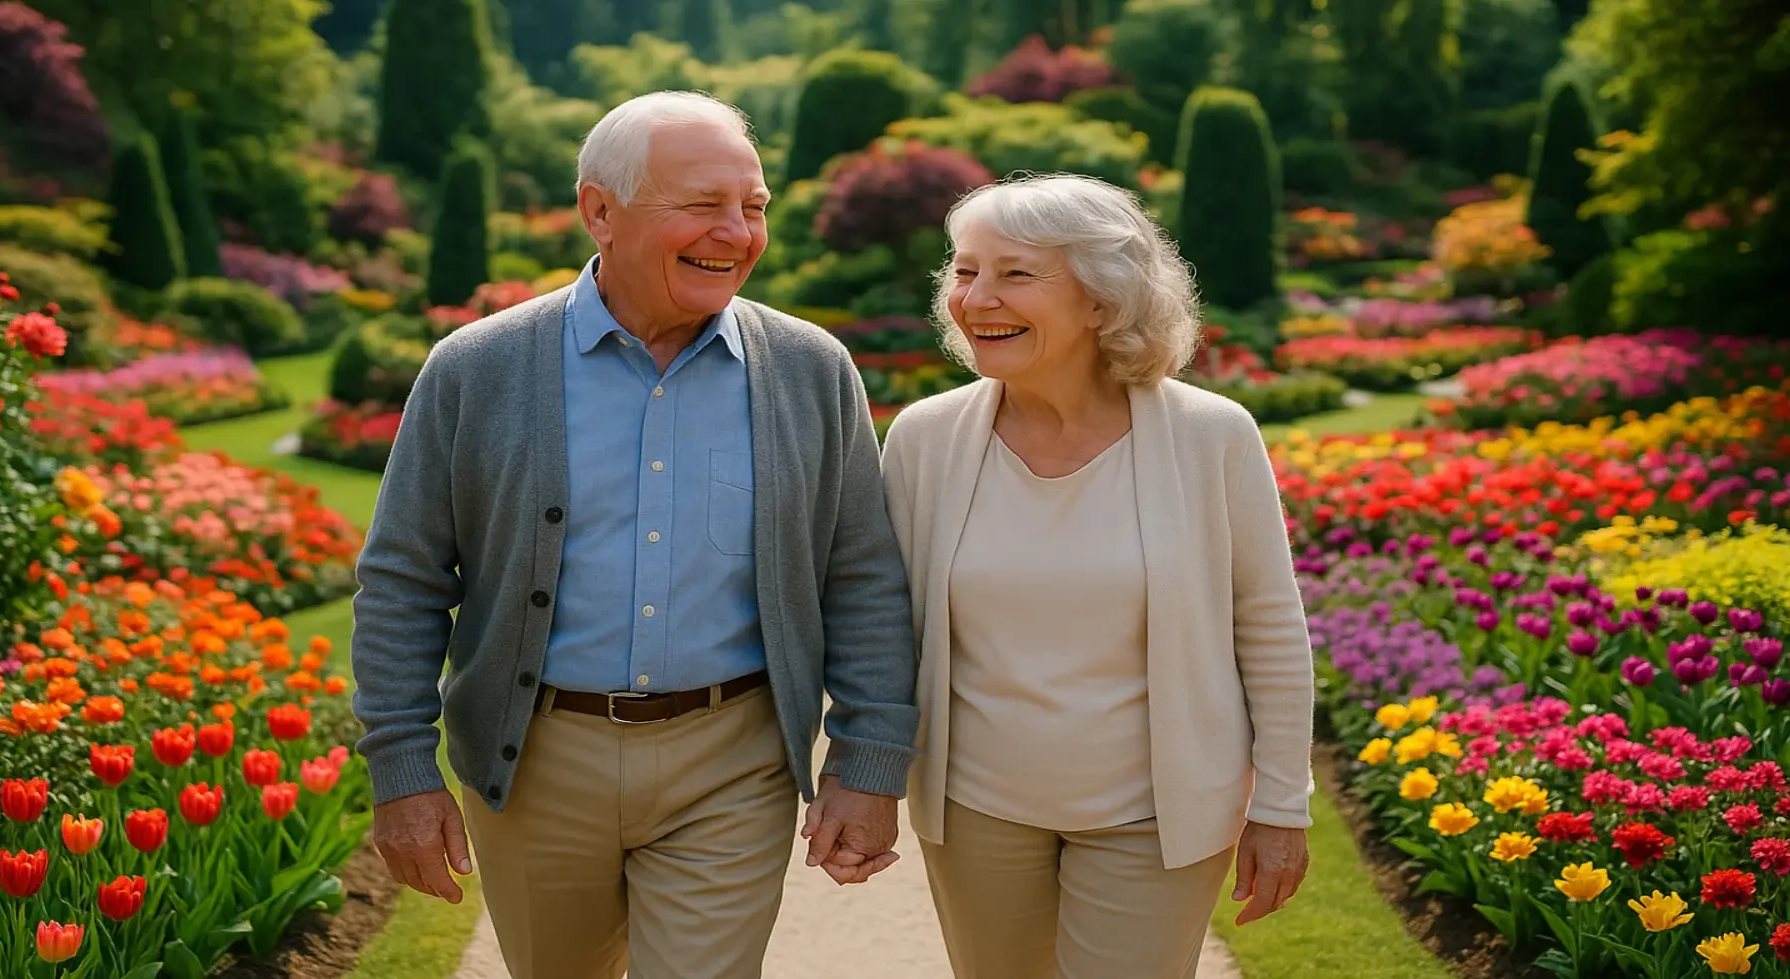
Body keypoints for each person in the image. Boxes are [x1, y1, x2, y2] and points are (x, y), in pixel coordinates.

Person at [347, 90, 920, 979]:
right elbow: (404, 579)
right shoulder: (478, 368)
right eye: (702, 205)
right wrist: (403, 770)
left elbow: (862, 576)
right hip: (534, 762)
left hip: (733, 761)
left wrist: (869, 756)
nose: (736, 232)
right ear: (599, 211)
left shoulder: (810, 370)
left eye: (754, 207)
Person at [878, 174, 1316, 979]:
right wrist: (864, 773)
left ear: (1102, 300)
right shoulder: (923, 439)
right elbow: (882, 626)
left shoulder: (1211, 436)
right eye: (966, 270)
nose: (976, 298)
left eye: (1015, 273)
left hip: (1155, 815)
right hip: (977, 812)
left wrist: (1282, 802)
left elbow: (1268, 624)